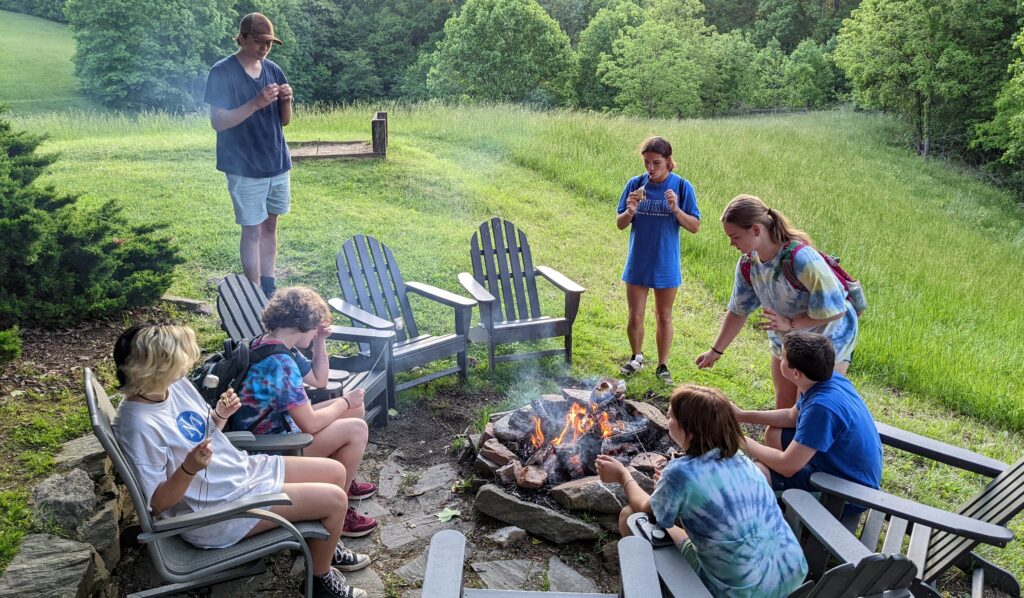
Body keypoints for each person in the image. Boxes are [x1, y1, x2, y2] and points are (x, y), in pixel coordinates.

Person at [112, 324, 370, 598]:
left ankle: (323, 543)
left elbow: (201, 435)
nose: (186, 367)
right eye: (179, 361)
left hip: (237, 473)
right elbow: (158, 503)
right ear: (158, 367)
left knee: (334, 472)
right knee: (335, 500)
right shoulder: (137, 424)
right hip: (215, 513)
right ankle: (321, 582)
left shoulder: (173, 386)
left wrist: (219, 417)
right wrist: (189, 468)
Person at [595, 384, 807, 597]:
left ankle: (653, 587)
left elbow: (645, 508)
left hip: (736, 592)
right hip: (790, 577)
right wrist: (671, 488)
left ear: (690, 431)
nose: (667, 421)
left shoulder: (680, 473)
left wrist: (623, 476)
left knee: (630, 516)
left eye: (670, 417)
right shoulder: (742, 459)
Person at [233, 286, 379, 538]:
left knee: (356, 407)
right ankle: (338, 512)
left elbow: (320, 379)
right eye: (314, 328)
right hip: (269, 449)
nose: (315, 332)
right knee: (356, 427)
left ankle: (343, 475)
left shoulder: (269, 344)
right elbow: (310, 423)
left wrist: (320, 341)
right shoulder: (281, 364)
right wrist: (344, 402)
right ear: (302, 324)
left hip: (276, 429)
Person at [695, 194, 857, 409]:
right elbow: (738, 311)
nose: (731, 244)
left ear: (756, 229)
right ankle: (778, 444)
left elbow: (836, 310)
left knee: (809, 408)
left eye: (735, 237)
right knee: (784, 403)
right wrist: (715, 351)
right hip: (788, 339)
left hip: (827, 340)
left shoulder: (801, 258)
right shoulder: (748, 264)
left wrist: (789, 324)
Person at [731, 331, 882, 517]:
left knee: (753, 475)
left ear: (795, 372)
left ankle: (786, 500)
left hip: (845, 495)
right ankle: (782, 492)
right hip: (843, 469)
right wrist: (741, 415)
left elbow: (787, 466)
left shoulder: (822, 408)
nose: (779, 359)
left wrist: (737, 437)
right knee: (774, 433)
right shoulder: (825, 379)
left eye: (783, 357)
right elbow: (791, 416)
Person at [204, 12, 294, 298]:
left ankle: (268, 285)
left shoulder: (273, 70)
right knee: (252, 231)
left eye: (269, 43)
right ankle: (253, 292)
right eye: (258, 42)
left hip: (277, 162)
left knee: (270, 227)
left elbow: (285, 121)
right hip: (244, 166)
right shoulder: (222, 71)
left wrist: (287, 100)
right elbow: (218, 121)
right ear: (241, 38)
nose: (264, 48)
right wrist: (255, 103)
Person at [615, 136, 701, 385]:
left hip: (666, 262)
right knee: (635, 316)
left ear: (669, 161)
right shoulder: (635, 184)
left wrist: (675, 209)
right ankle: (636, 357)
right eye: (646, 163)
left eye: (656, 163)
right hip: (638, 261)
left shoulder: (682, 187)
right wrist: (630, 211)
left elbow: (694, 226)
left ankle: (663, 365)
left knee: (664, 316)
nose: (651, 169)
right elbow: (620, 224)